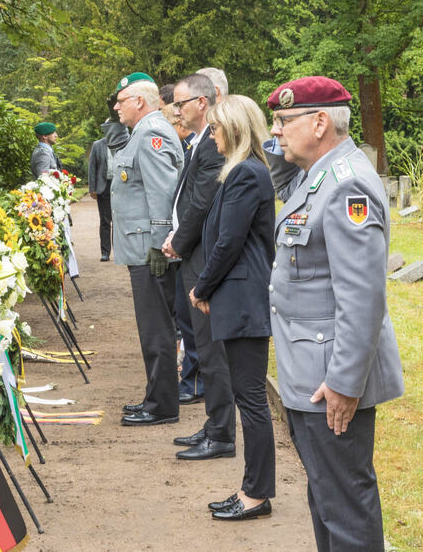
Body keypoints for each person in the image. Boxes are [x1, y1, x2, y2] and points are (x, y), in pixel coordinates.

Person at [263, 76, 405, 550]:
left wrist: (345, 382)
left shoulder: (347, 186)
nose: (275, 131)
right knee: (327, 499)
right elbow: (283, 177)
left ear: (320, 122)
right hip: (312, 373)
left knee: (344, 507)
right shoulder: (317, 173)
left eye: (282, 121)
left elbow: (362, 298)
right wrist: (280, 135)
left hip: (330, 381)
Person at [189, 95, 276, 521]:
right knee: (248, 396)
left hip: (242, 301)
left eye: (216, 128)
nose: (212, 137)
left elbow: (229, 242)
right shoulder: (245, 171)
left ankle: (256, 495)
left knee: (251, 399)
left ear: (235, 129)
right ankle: (251, 488)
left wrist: (202, 287)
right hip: (239, 298)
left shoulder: (245, 173)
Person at [162, 73, 235, 460]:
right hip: (194, 254)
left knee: (211, 347)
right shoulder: (200, 141)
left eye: (181, 103)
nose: (176, 110)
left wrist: (178, 240)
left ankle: (222, 433)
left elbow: (202, 202)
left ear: (202, 102)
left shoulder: (212, 144)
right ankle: (213, 424)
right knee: (202, 346)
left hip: (202, 255)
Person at [109, 72, 184, 426]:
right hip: (142, 246)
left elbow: (161, 194)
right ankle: (155, 396)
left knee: (156, 328)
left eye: (121, 101)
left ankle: (162, 406)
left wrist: (158, 245)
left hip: (149, 249)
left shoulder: (152, 133)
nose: (116, 107)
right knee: (152, 326)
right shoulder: (142, 132)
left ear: (139, 101)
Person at [165, 103, 203, 403]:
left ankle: (196, 381)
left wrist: (179, 239)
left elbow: (198, 203)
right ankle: (192, 378)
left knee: (193, 321)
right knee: (185, 316)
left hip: (192, 247)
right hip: (184, 245)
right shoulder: (192, 146)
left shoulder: (201, 146)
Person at [88, 134, 113, 262]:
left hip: (120, 187)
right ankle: (105, 252)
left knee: (120, 221)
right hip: (104, 187)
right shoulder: (97, 145)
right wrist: (92, 188)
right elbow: (92, 167)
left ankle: (121, 252)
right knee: (105, 221)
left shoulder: (124, 142)